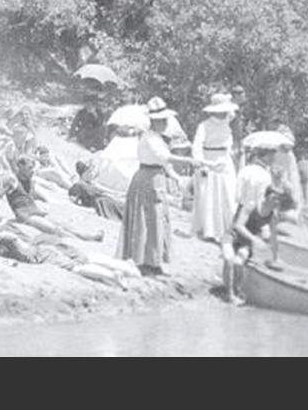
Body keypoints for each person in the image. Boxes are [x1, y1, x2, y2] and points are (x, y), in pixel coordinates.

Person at [117, 97, 208, 276]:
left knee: (157, 219)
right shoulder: (149, 137)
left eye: (165, 120)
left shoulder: (158, 138)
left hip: (156, 177)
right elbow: (164, 156)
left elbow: (164, 163)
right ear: (154, 121)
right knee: (146, 218)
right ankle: (142, 260)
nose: (164, 123)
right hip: (146, 179)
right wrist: (189, 160)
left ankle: (153, 260)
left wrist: (175, 177)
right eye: (161, 120)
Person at [0, 226, 140, 290]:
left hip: (42, 255)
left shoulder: (6, 241)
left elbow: (5, 240)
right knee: (84, 259)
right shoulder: (6, 241)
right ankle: (126, 269)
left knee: (76, 267)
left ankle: (112, 275)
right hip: (43, 247)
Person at [0, 155, 104, 242]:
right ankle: (79, 242)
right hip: (26, 216)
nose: (32, 170)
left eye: (33, 167)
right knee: (55, 230)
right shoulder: (11, 180)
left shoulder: (30, 180)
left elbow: (30, 197)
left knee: (64, 225)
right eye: (29, 168)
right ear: (20, 167)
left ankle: (90, 237)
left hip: (36, 211)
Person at [220, 144, 282, 303]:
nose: (276, 203)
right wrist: (255, 239)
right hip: (232, 236)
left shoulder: (272, 215)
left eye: (278, 201)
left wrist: (275, 257)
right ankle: (229, 293)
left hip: (245, 242)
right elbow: (238, 226)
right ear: (267, 196)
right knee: (229, 258)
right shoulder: (251, 205)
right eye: (274, 199)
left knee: (239, 260)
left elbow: (273, 236)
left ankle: (236, 291)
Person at [191, 93, 239, 243]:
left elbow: (233, 114)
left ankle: (229, 228)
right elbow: (197, 146)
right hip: (209, 160)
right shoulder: (204, 126)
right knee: (209, 194)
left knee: (228, 193)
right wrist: (201, 163)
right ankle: (210, 230)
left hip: (225, 160)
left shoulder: (227, 122)